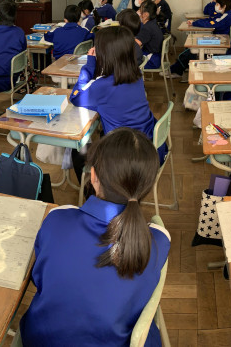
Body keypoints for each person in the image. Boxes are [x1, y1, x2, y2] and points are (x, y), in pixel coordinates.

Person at [19, 127, 171, 347]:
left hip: (40, 340)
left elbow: (39, 278)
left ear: (93, 176)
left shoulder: (57, 219)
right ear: (148, 185)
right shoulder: (159, 240)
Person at [70, 27, 167, 171]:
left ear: (105, 55)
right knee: (102, 134)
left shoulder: (102, 86)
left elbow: (75, 97)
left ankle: (96, 184)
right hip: (150, 146)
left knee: (77, 152)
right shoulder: (136, 74)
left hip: (128, 159)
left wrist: (90, 64)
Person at [136, 1, 164, 70]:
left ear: (145, 14)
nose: (138, 12)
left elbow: (136, 44)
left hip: (151, 60)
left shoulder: (147, 27)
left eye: (139, 10)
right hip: (155, 58)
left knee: (124, 61)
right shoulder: (152, 23)